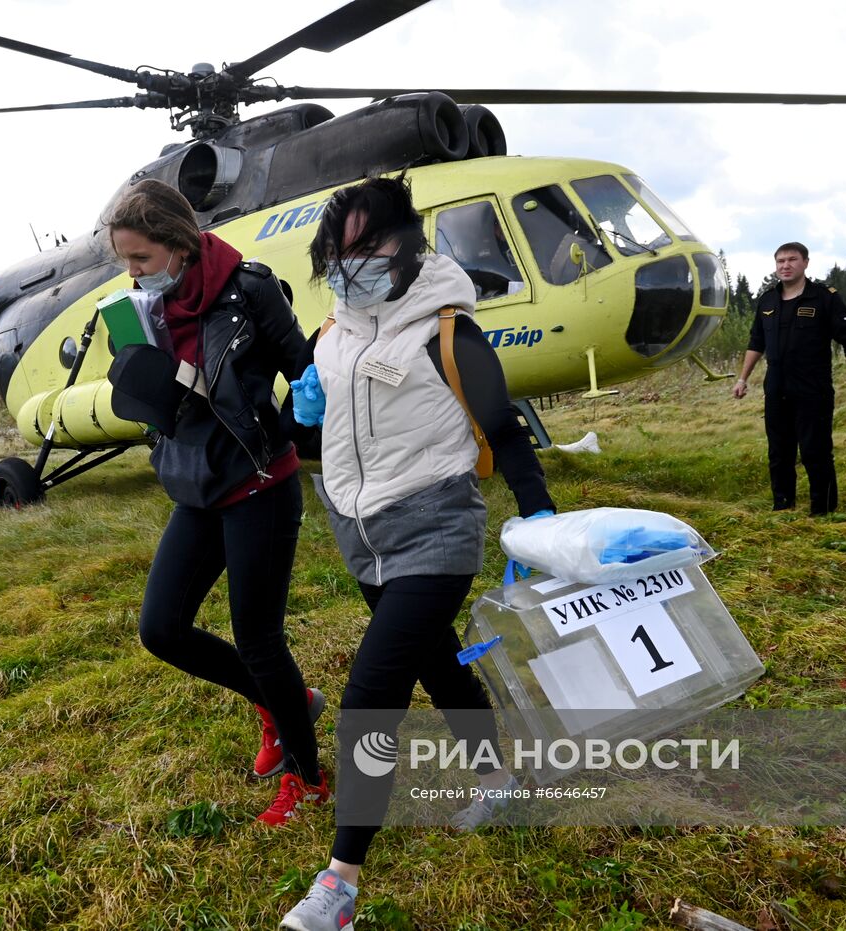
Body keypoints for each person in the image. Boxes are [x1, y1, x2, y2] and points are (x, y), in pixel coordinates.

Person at [277, 176, 556, 931]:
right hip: (360, 534)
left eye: (366, 245)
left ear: (408, 241)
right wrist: (298, 410)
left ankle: (339, 885)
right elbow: (307, 437)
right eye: (336, 251)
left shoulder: (445, 329)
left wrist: (541, 520)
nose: (349, 263)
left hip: (436, 526)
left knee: (372, 690)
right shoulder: (330, 336)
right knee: (437, 663)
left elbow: (504, 428)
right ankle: (500, 781)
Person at [105, 179, 327, 826]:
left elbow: (306, 367)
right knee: (161, 628)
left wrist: (295, 424)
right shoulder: (141, 309)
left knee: (259, 639)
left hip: (258, 481)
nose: (133, 272)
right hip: (194, 486)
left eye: (141, 258)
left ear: (178, 245)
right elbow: (159, 404)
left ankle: (307, 779)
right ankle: (281, 704)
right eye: (125, 260)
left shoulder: (248, 288)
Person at [732, 241, 846, 515]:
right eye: (780, 261)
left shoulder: (824, 298)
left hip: (812, 389)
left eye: (792, 259)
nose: (786, 265)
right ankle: (782, 506)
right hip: (777, 388)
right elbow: (756, 342)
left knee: (815, 451)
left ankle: (823, 510)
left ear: (805, 262)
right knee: (779, 452)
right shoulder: (767, 301)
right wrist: (742, 379)